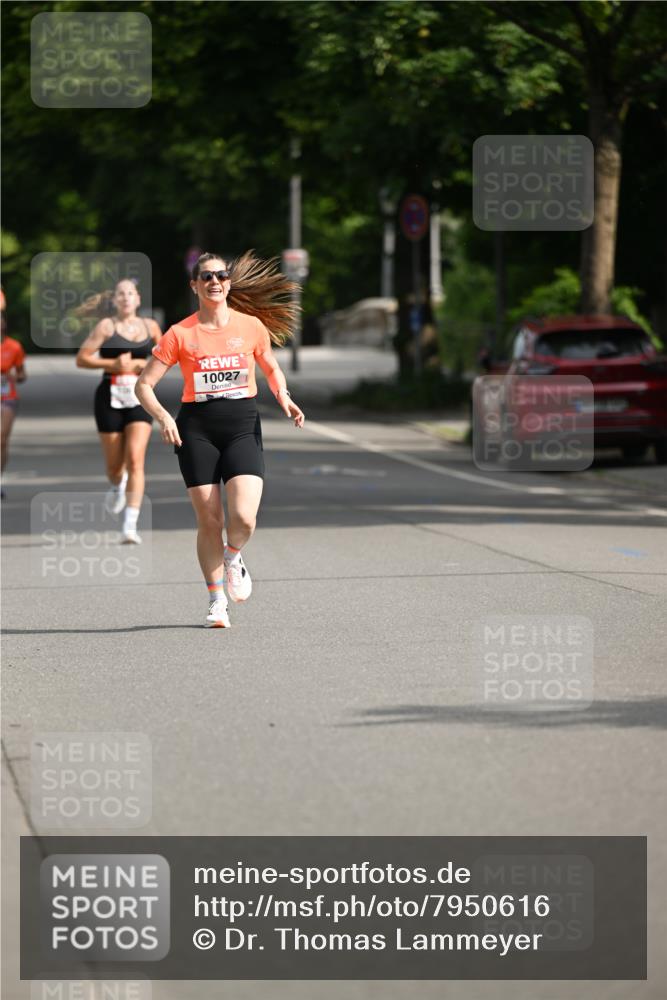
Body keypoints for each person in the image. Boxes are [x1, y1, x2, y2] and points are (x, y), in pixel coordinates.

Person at [135, 251, 305, 628]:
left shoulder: (251, 327)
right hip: (197, 429)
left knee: (244, 517)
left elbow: (271, 367)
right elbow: (144, 385)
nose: (215, 282)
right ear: (194, 285)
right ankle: (216, 601)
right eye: (206, 276)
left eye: (221, 275)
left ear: (228, 283)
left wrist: (284, 398)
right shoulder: (180, 334)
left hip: (243, 424)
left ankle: (232, 555)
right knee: (209, 519)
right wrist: (163, 416)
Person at [75, 279, 161, 543]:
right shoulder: (106, 326)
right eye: (121, 294)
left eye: (130, 293)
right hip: (109, 396)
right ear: (114, 300)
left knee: (136, 459)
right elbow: (82, 358)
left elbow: (167, 355)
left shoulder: (151, 327)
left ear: (138, 299)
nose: (126, 298)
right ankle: (117, 485)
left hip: (140, 397)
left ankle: (130, 525)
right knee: (115, 466)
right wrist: (113, 362)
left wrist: (144, 366)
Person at [1, 299, 27, 497]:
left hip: (7, 395)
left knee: (2, 439)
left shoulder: (14, 346)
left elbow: (22, 375)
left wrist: (13, 376)